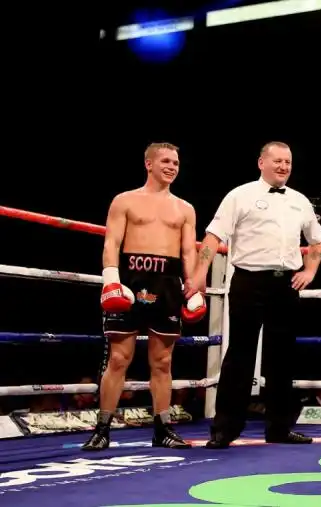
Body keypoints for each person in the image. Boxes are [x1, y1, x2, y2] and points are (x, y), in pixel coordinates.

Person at [185, 141, 321, 449]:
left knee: (282, 357)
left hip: (286, 284)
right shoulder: (241, 195)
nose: (283, 167)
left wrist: (309, 272)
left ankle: (279, 428)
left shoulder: (300, 201)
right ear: (261, 162)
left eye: (288, 162)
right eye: (277, 161)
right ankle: (224, 429)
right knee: (240, 354)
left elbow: (317, 241)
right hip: (249, 280)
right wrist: (198, 274)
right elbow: (213, 236)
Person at [83, 142, 207, 451]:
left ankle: (163, 428)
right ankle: (102, 428)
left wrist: (193, 287)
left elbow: (188, 251)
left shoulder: (185, 208)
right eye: (165, 160)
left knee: (163, 361)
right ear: (148, 164)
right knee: (118, 358)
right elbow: (111, 242)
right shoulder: (125, 201)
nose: (171, 166)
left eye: (176, 162)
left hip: (167, 281)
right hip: (131, 278)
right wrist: (111, 276)